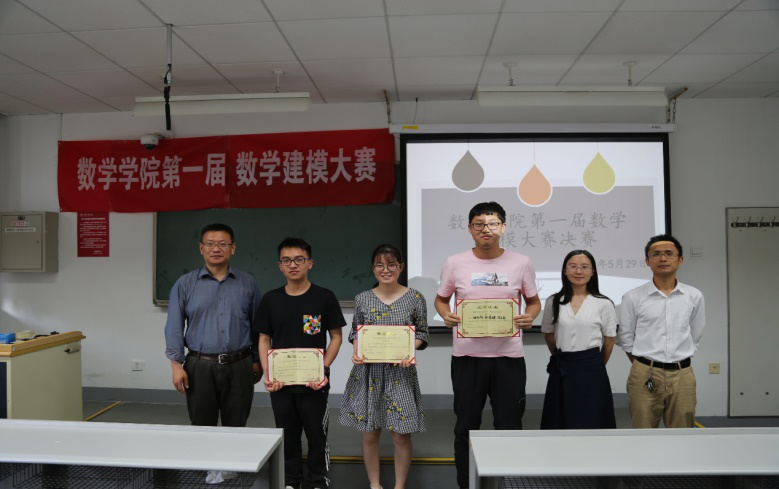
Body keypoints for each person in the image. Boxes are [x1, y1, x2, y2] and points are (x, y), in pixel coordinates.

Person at [434, 201, 541, 489]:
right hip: (467, 358)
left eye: (493, 223)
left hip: (509, 358)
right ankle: (467, 484)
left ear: (503, 227)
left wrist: (530, 317)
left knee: (510, 425)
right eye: (479, 224)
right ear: (470, 228)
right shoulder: (454, 262)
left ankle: (509, 483)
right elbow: (441, 299)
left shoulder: (521, 262)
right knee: (466, 426)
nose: (486, 229)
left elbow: (533, 301)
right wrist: (446, 315)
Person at [164, 223, 262, 483]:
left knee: (236, 420)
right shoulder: (185, 284)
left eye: (222, 244)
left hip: (239, 363)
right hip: (199, 364)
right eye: (210, 244)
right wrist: (176, 365)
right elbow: (174, 326)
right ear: (201, 248)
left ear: (233, 248)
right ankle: (206, 465)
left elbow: (258, 326)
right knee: (201, 420)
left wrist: (257, 361)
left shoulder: (248, 283)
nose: (216, 249)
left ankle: (231, 466)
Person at [339, 244, 429, 489]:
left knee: (401, 434)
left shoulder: (415, 298)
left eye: (391, 265)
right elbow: (356, 332)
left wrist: (409, 349)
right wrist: (357, 352)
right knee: (370, 433)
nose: (385, 270)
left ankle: (399, 486)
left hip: (401, 373)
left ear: (401, 267)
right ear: (373, 269)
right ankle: (375, 485)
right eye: (380, 265)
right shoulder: (362, 298)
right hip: (369, 374)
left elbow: (422, 333)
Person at [258, 237, 345, 489]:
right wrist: (268, 373)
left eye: (299, 259)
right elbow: (264, 339)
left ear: (310, 263)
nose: (293, 265)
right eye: (286, 260)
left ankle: (318, 479)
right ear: (280, 266)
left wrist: (323, 369)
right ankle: (291, 480)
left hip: (314, 383)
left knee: (317, 435)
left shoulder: (324, 297)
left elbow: (336, 337)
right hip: (281, 383)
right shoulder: (270, 299)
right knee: (287, 435)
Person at [618, 234, 706, 428]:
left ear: (680, 259)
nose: (663, 258)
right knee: (643, 430)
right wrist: (646, 364)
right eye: (656, 254)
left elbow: (695, 333)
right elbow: (626, 338)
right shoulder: (633, 297)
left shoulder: (693, 295)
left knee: (682, 432)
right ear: (647, 261)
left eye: (669, 253)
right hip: (644, 373)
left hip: (682, 374)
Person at [540, 250, 617, 429]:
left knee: (593, 416)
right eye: (573, 266)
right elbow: (548, 333)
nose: (578, 271)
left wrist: (596, 363)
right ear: (565, 271)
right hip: (563, 366)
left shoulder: (604, 303)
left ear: (593, 271)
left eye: (584, 267)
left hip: (592, 367)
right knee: (560, 418)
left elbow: (610, 339)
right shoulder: (554, 301)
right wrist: (560, 355)